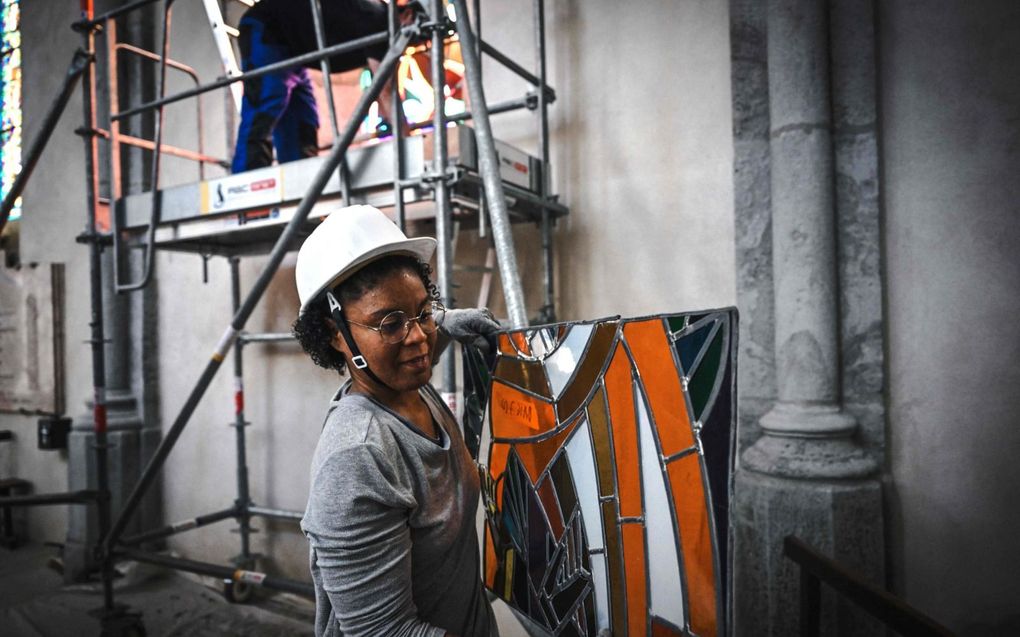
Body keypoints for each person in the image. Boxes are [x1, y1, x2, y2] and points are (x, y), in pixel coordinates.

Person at [292, 204, 501, 636]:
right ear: (335, 334)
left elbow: (421, 336)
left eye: (422, 311)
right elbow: (384, 633)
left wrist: (444, 321)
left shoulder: (405, 382)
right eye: (389, 323)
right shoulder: (360, 458)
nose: (419, 338)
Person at [231, 0, 414, 173]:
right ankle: (247, 183)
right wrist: (411, 148)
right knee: (267, 100)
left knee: (303, 120)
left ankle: (299, 184)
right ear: (408, 14)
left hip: (295, 51)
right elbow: (386, 90)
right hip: (267, 29)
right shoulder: (380, 21)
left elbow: (380, 89)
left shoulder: (379, 22)